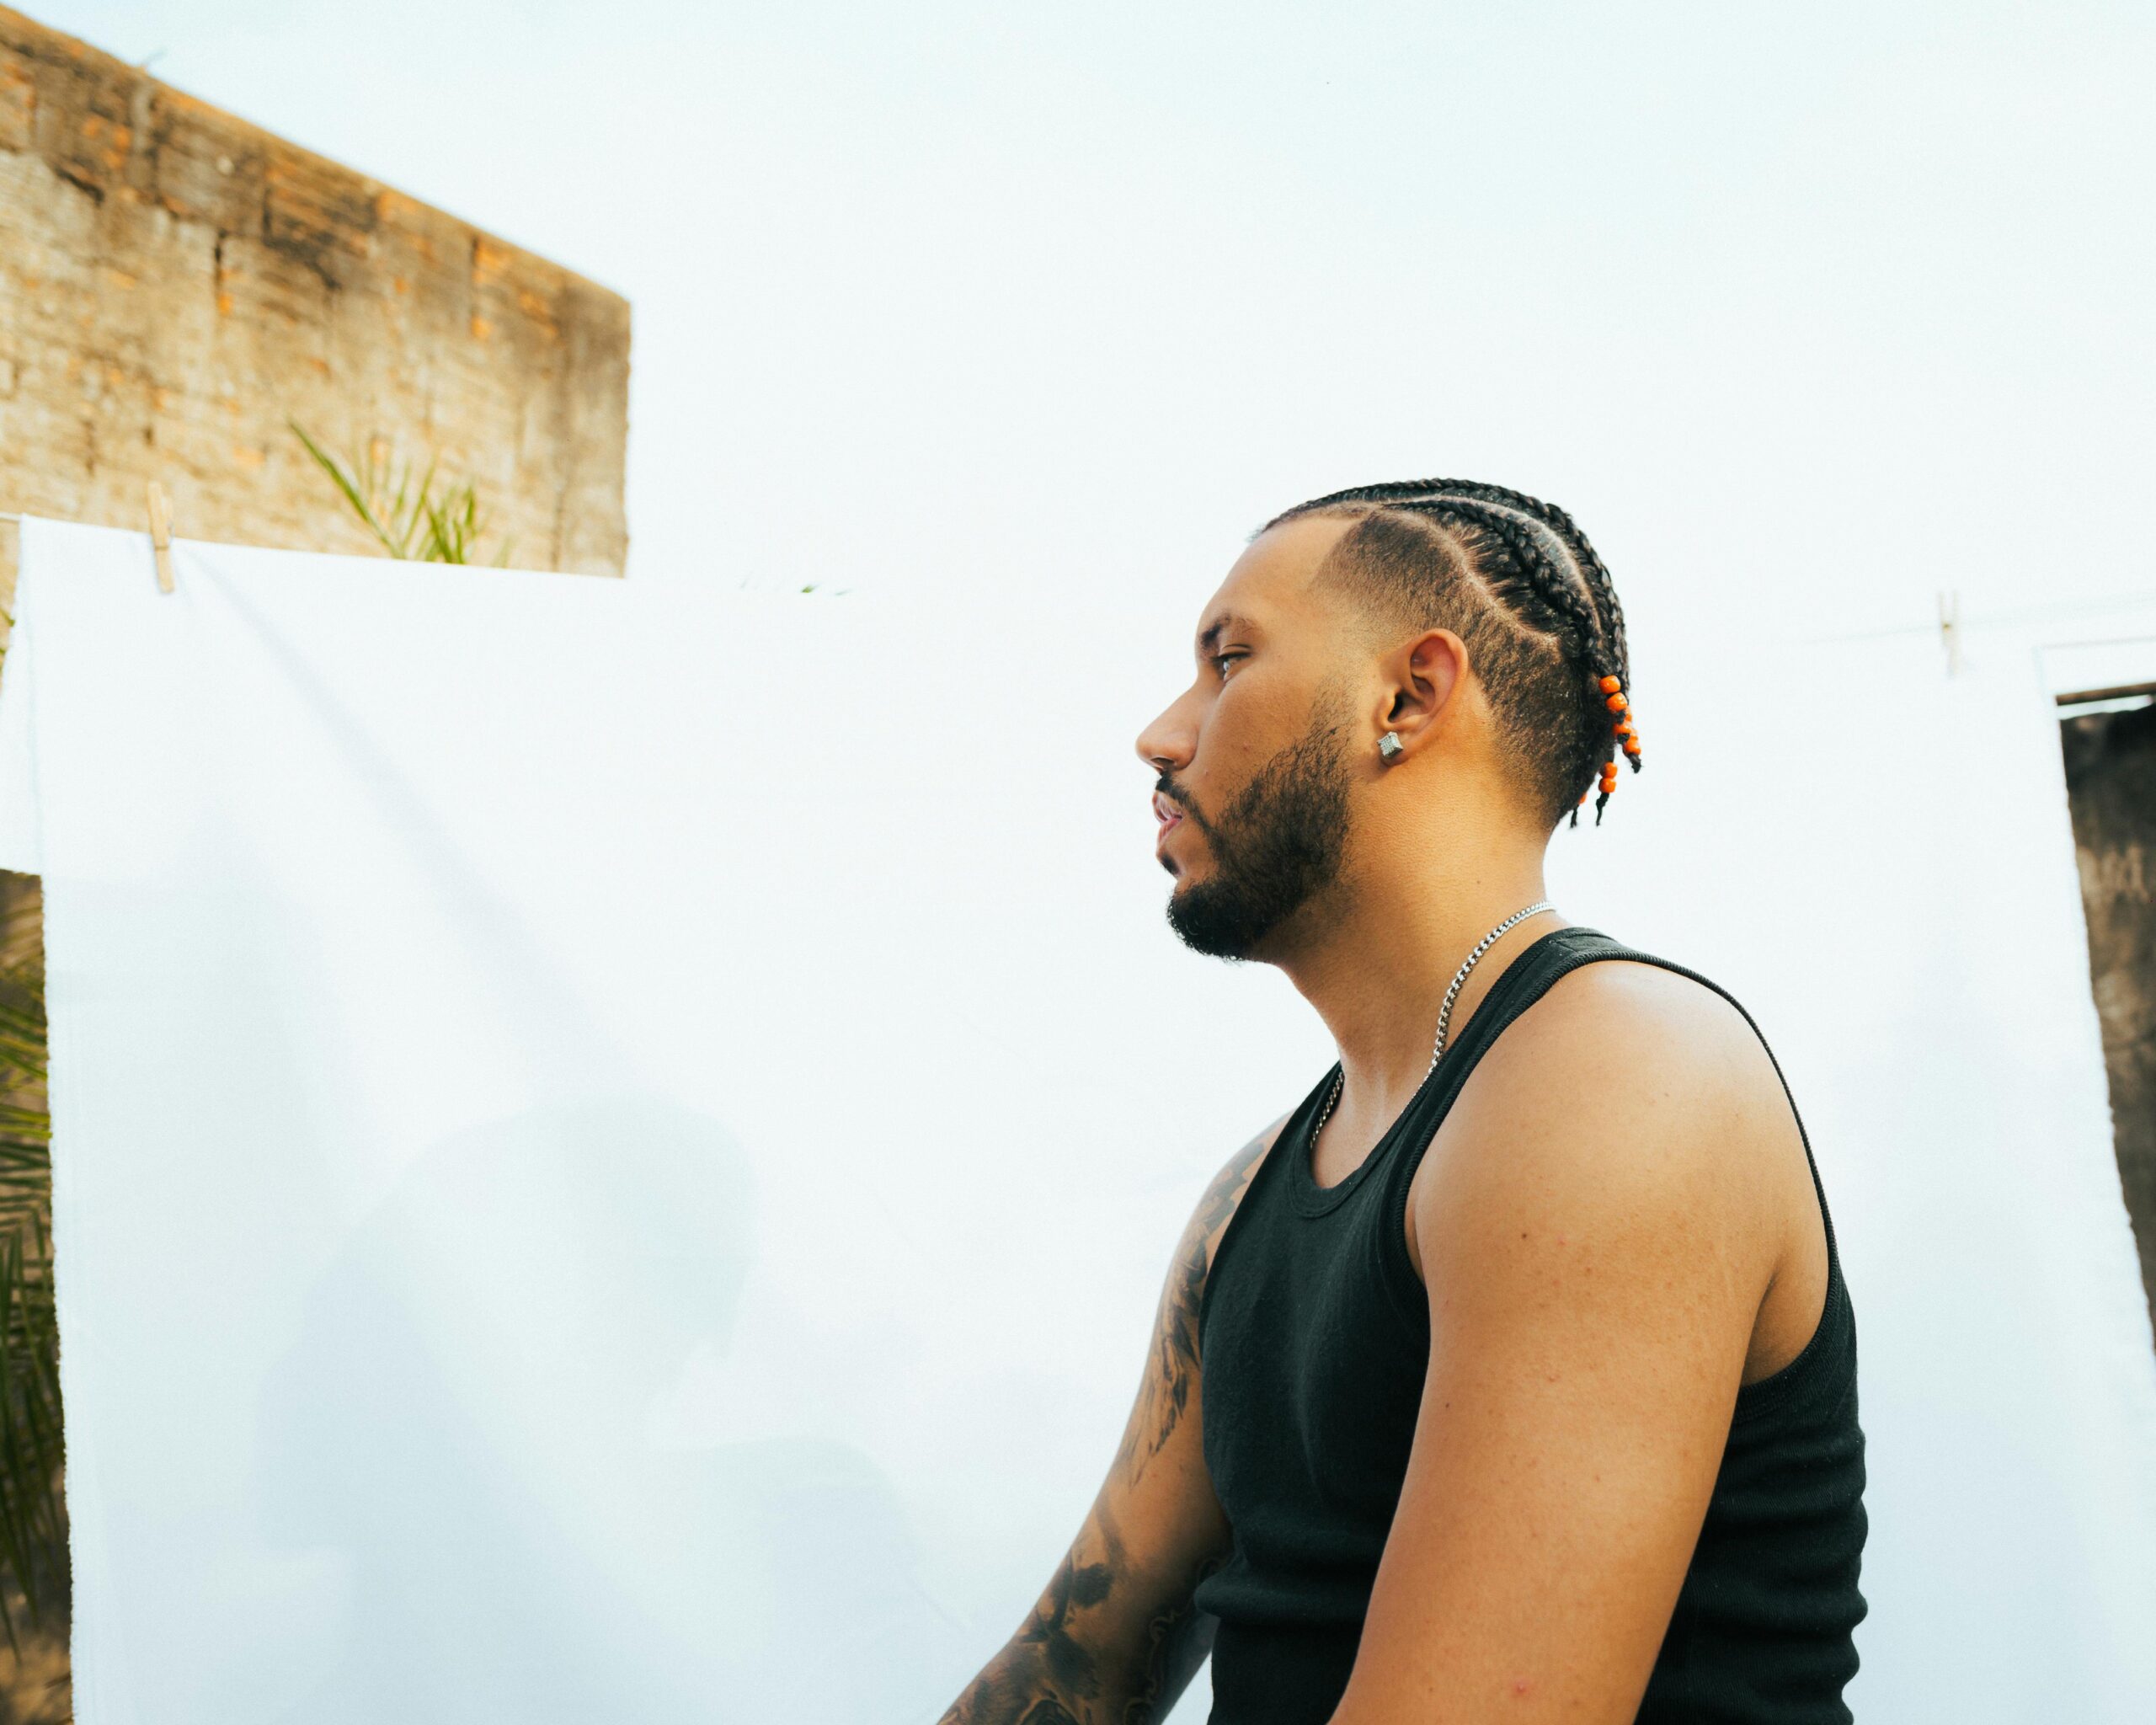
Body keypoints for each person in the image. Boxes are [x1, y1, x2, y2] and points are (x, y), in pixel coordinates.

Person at [937, 480, 1867, 1725]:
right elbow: (1078, 1661)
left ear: (1409, 698)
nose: (1163, 733)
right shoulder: (1252, 1194)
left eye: (1229, 660)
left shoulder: (1621, 1080)